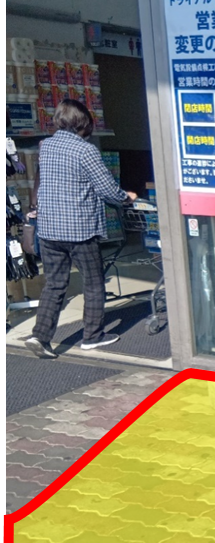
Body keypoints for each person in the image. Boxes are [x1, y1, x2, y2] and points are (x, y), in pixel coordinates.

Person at [24, 99, 136, 359]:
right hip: (79, 230)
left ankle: (40, 336)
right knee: (94, 282)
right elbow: (106, 188)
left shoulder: (47, 146)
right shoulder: (86, 151)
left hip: (49, 229)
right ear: (83, 123)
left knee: (54, 284)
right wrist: (126, 197)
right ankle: (92, 336)